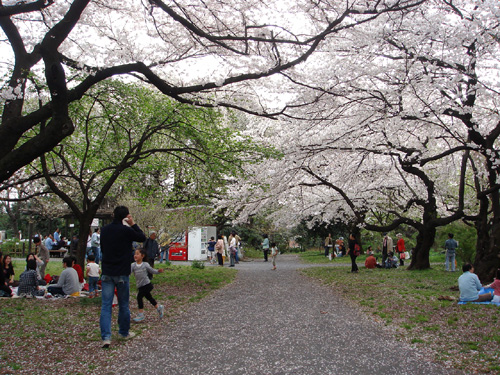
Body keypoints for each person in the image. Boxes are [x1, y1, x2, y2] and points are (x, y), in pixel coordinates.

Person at [100, 205, 146, 348]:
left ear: (113, 215)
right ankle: (123, 332)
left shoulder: (104, 230)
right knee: (123, 304)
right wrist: (132, 224)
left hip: (108, 271)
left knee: (106, 306)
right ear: (126, 217)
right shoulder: (126, 231)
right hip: (122, 272)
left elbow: (102, 248)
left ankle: (106, 337)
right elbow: (142, 237)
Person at [131, 248, 165, 322]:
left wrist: (158, 271)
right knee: (149, 297)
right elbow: (128, 273)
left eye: (137, 254)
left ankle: (141, 314)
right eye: (135, 254)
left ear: (142, 256)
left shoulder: (145, 264)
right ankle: (159, 307)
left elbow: (152, 271)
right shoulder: (133, 265)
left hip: (147, 284)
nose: (135, 255)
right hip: (140, 286)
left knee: (139, 297)